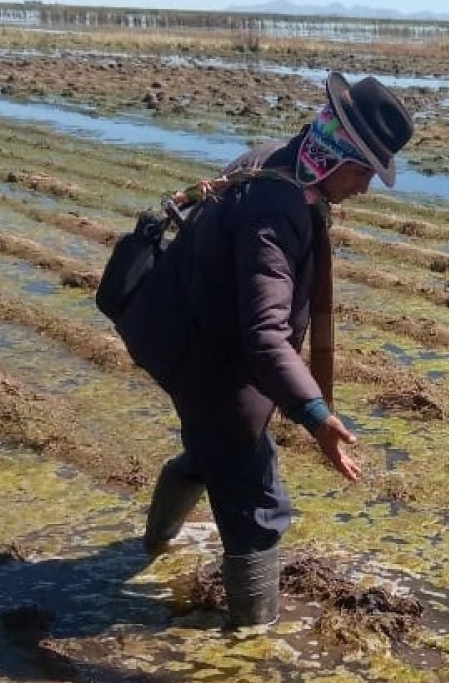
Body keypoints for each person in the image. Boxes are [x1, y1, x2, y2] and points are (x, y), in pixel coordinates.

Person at [118, 71, 415, 628]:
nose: (367, 188)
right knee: (255, 499)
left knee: (209, 454)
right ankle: (254, 634)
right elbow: (264, 335)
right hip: (210, 359)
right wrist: (317, 415)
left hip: (186, 330)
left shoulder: (279, 158)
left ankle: (155, 543)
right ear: (338, 154)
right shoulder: (276, 214)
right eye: (365, 170)